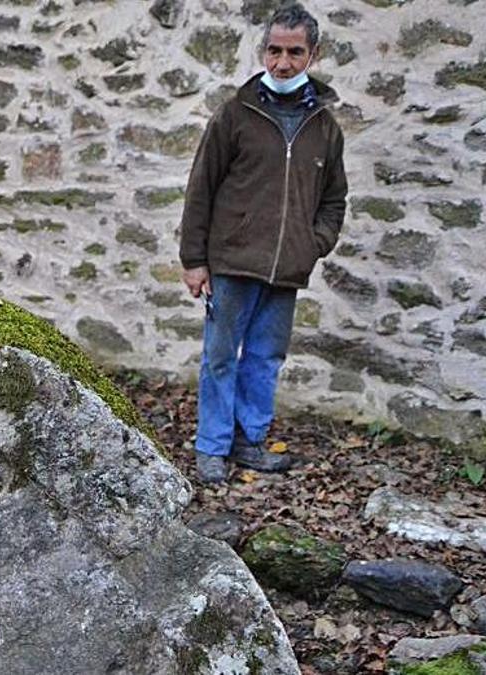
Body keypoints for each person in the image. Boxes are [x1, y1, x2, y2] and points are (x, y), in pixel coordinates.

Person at [178, 3, 347, 483]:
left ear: (312, 55)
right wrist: (194, 259)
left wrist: (314, 243)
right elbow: (201, 188)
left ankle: (249, 441)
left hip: (288, 266)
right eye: (274, 50)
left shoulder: (325, 127)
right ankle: (211, 446)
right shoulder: (236, 114)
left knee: (265, 358)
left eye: (294, 52)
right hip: (232, 259)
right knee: (218, 356)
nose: (282, 62)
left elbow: (335, 198)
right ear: (263, 51)